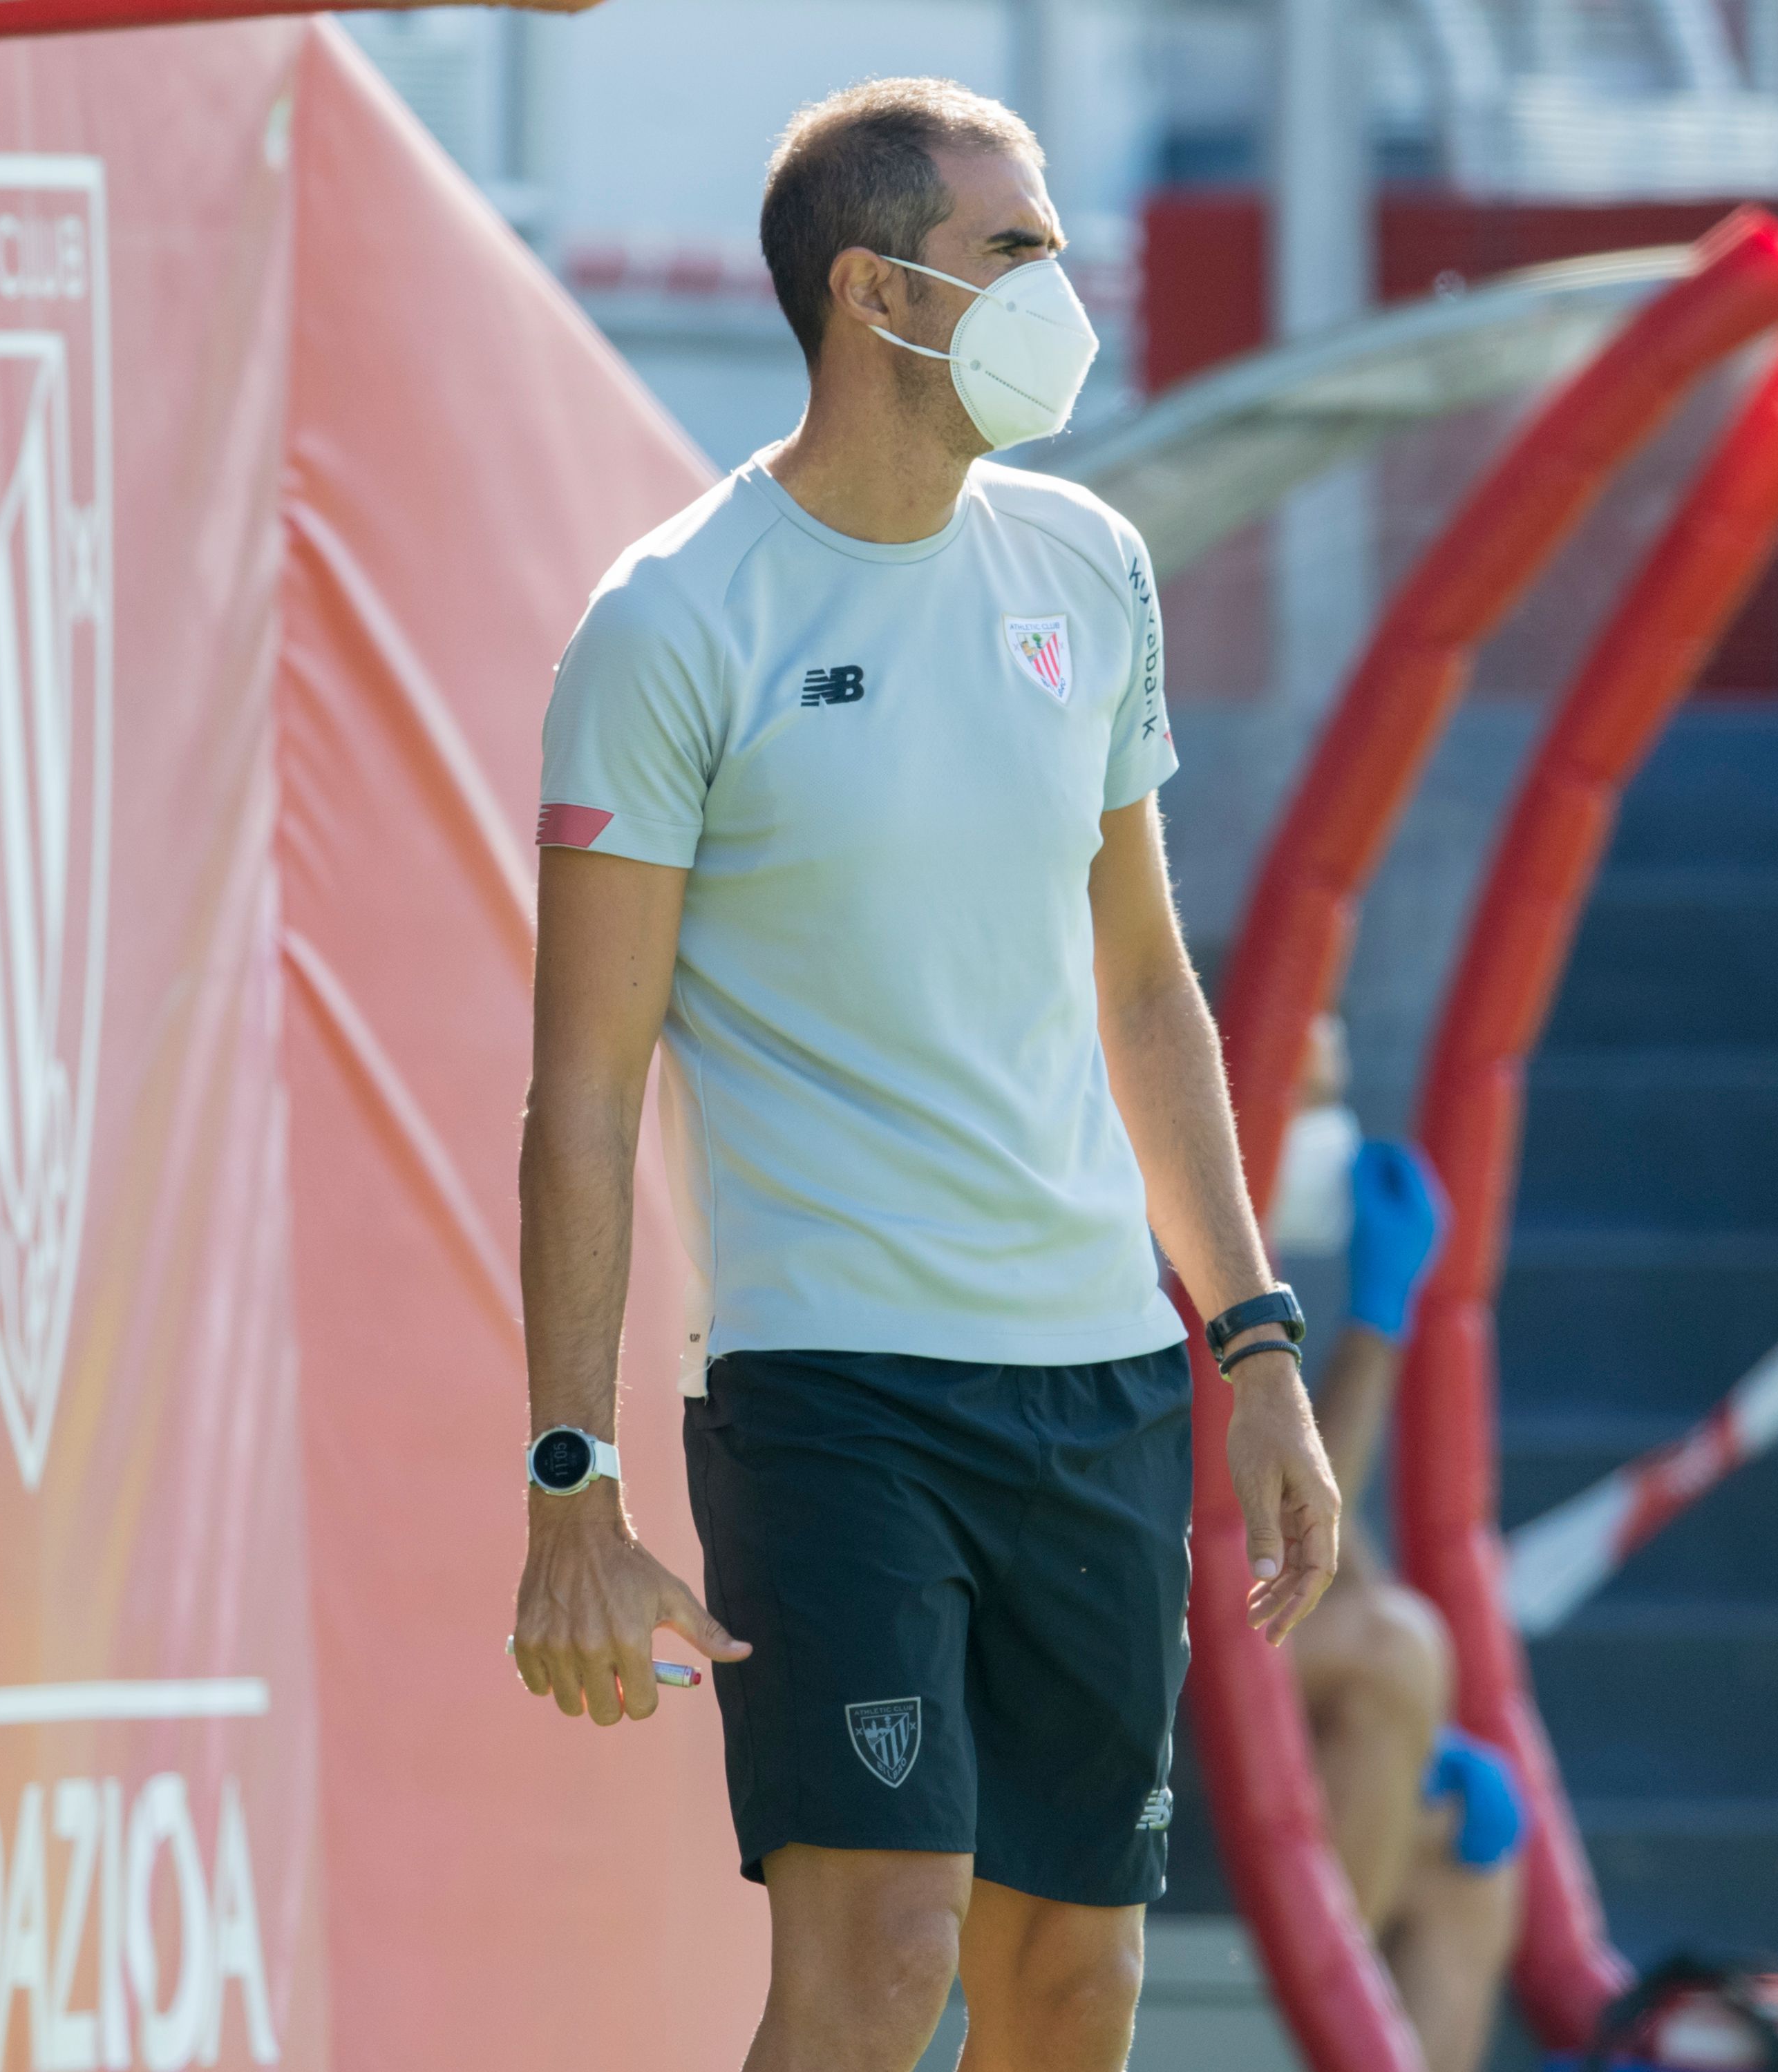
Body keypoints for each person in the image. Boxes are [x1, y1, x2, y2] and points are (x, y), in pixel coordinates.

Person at [503, 76, 1347, 2072]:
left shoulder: (1087, 567)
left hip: (1103, 1389)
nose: (1069, 286)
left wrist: (1251, 1345)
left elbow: (1142, 987)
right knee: (878, 1962)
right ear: (879, 293)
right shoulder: (667, 622)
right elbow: (583, 1093)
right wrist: (568, 1482)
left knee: (1075, 1988)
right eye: (1020, 249)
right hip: (833, 1392)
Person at [1276, 1017, 1524, 2072]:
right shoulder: (1149, 1232)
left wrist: (1439, 1737)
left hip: (1223, 1644)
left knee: (1471, 1868)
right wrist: (1376, 1326)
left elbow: (1330, 1531)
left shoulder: (1259, 1255)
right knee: (1395, 1654)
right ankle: (1318, 2029)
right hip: (1106, 1641)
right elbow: (1280, 1521)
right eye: (1308, 1101)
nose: (1331, 1134)